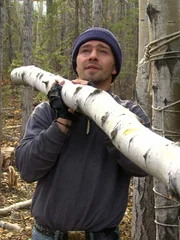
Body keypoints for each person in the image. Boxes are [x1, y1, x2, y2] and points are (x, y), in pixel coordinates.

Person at [15, 27, 151, 240]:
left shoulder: (129, 115)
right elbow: (27, 170)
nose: (93, 55)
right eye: (85, 50)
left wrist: (102, 115)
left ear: (115, 67)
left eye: (103, 51)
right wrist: (61, 121)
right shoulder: (47, 110)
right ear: (76, 63)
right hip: (47, 236)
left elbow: (141, 166)